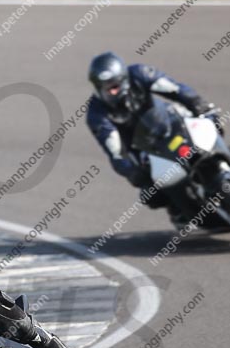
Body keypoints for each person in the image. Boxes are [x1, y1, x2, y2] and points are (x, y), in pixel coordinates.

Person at [86, 52, 219, 222]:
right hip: (142, 149)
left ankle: (224, 161)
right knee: (151, 194)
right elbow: (114, 151)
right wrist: (131, 172)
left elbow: (175, 89)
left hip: (169, 122)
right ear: (97, 87)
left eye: (114, 86)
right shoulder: (96, 113)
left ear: (123, 78)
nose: (111, 92)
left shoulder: (140, 73)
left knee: (209, 124)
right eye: (105, 88)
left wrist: (199, 105)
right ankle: (178, 208)